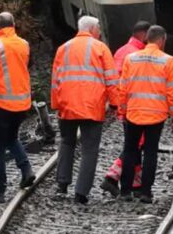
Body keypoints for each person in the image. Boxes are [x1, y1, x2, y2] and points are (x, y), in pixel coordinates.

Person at [50, 15, 120, 204]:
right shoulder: (100, 48)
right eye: (98, 27)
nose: (99, 31)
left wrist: (56, 104)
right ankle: (81, 192)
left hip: (67, 106)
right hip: (92, 106)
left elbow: (55, 80)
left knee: (67, 142)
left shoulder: (63, 49)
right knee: (90, 149)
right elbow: (111, 79)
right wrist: (115, 103)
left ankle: (62, 185)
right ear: (91, 29)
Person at [0, 12, 36, 203]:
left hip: (1, 105)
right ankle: (26, 169)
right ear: (14, 24)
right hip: (21, 104)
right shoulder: (24, 44)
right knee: (12, 138)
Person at [117, 25, 173, 203]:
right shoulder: (169, 61)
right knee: (150, 152)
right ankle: (146, 192)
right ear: (162, 40)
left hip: (134, 112)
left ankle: (126, 190)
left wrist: (122, 110)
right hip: (156, 114)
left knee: (130, 150)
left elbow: (123, 88)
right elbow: (172, 91)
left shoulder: (130, 59)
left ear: (147, 39)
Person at [101, 20, 151, 196]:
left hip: (124, 106)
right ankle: (112, 176)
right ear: (144, 35)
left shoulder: (122, 51)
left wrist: (117, 105)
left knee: (133, 144)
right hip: (137, 107)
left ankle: (135, 183)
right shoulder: (139, 54)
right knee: (136, 144)